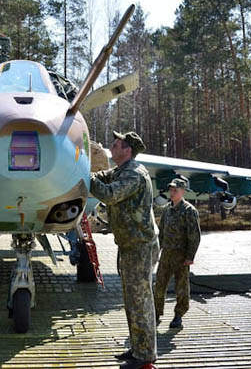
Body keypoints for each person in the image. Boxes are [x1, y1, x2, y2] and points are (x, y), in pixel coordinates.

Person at [90, 131, 159, 369]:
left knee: (141, 301)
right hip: (130, 245)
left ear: (127, 150)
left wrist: (83, 181)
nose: (111, 147)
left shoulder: (134, 174)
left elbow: (109, 194)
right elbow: (102, 176)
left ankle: (146, 356)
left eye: (116, 144)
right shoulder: (121, 171)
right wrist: (83, 172)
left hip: (140, 247)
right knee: (131, 301)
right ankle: (137, 349)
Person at [153, 176, 201, 329]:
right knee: (159, 285)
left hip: (181, 256)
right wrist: (156, 251)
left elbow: (194, 236)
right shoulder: (167, 209)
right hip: (166, 255)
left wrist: (189, 256)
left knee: (181, 287)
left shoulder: (189, 211)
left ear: (183, 192)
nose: (172, 193)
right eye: (171, 190)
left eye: (175, 190)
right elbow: (161, 233)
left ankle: (178, 315)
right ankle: (156, 313)